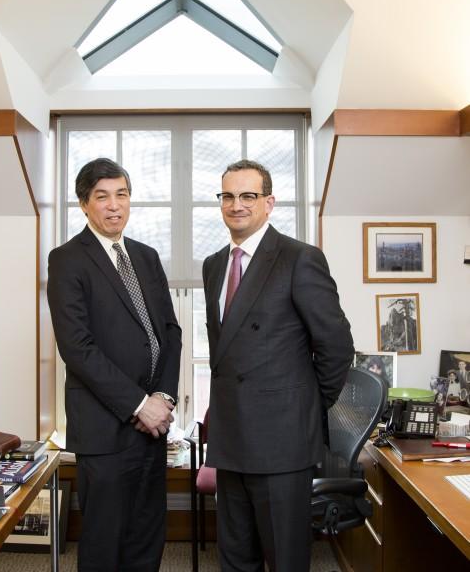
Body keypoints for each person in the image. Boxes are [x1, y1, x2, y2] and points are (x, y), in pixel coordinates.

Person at [202, 159, 354, 572]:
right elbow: (225, 351)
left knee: (284, 559)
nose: (237, 205)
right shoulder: (215, 264)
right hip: (231, 438)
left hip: (282, 441)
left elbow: (337, 346)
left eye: (248, 196)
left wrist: (304, 406)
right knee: (235, 558)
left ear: (269, 202)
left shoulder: (299, 259)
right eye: (228, 196)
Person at [47, 158, 181, 572]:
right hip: (104, 429)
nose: (114, 205)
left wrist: (162, 396)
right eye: (102, 197)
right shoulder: (67, 259)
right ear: (84, 204)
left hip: (151, 428)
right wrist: (140, 404)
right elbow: (78, 347)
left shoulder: (146, 255)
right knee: (105, 539)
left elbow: (170, 333)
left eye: (121, 195)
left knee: (146, 533)